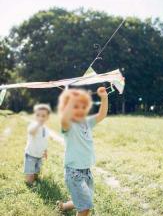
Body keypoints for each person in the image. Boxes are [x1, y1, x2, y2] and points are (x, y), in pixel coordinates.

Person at [57, 87, 108, 216]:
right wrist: (71, 101)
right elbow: (64, 119)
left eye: (82, 106)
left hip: (86, 170)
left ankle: (63, 206)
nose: (80, 109)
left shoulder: (87, 122)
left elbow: (102, 115)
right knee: (85, 208)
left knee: (84, 200)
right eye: (75, 106)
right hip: (74, 172)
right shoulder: (68, 125)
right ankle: (72, 207)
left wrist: (104, 97)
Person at [24, 104, 51, 185]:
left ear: (47, 117)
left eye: (43, 116)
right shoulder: (33, 125)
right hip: (31, 154)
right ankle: (30, 184)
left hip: (39, 156)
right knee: (30, 174)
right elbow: (31, 132)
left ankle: (35, 179)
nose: (40, 118)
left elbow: (45, 141)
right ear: (34, 116)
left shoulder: (45, 129)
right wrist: (38, 124)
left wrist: (45, 151)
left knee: (36, 172)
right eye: (38, 115)